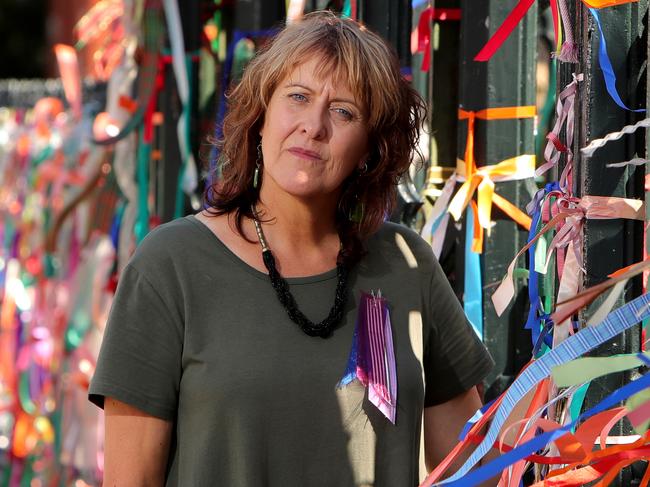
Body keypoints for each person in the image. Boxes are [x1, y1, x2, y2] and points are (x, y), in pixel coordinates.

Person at [89, 10, 494, 487]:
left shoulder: (407, 265)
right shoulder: (169, 265)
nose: (313, 125)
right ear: (260, 117)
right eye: (297, 97)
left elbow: (475, 472)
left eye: (344, 111)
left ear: (370, 149)